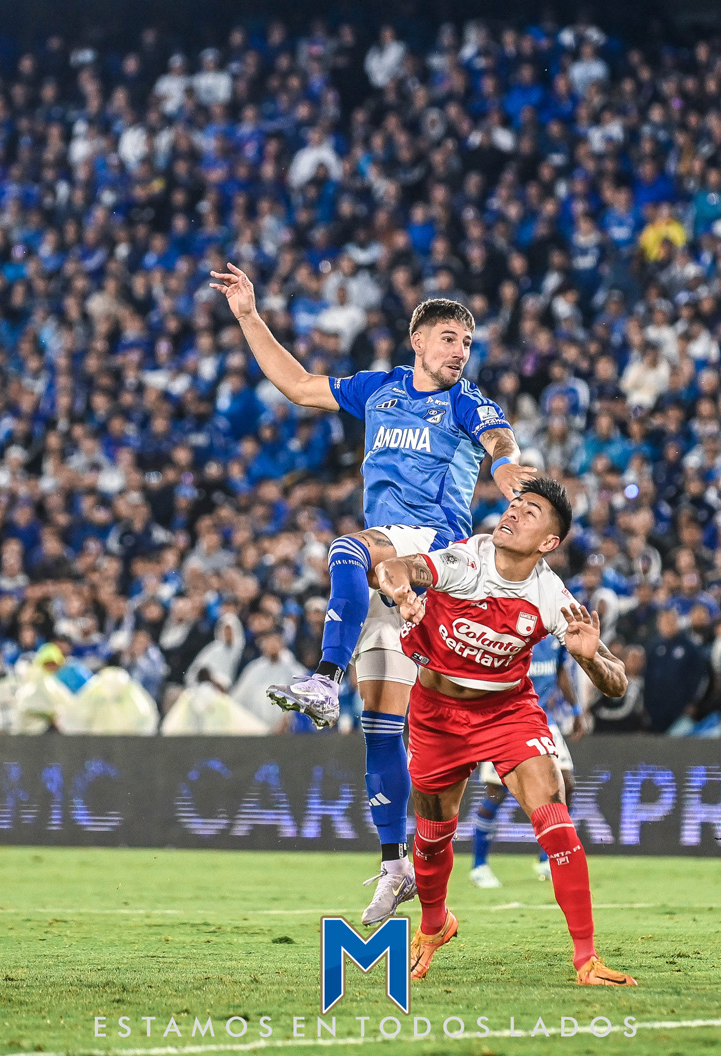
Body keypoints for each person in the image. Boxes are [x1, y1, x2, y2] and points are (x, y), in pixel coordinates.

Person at [210, 263, 534, 926]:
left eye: (467, 342)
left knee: (346, 551)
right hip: (395, 565)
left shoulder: (467, 400)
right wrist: (248, 315)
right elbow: (299, 385)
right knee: (382, 730)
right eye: (449, 338)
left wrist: (505, 471)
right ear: (418, 340)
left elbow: (498, 439)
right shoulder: (378, 390)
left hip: (434, 552)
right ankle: (395, 867)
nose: (460, 351)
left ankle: (325, 676)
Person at [374, 479, 636, 985]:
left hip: (507, 711)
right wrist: (402, 591)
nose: (513, 512)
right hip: (436, 714)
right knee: (431, 836)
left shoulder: (551, 596)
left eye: (530, 511)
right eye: (515, 503)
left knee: (554, 813)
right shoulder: (464, 561)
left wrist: (588, 659)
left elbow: (617, 682)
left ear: (549, 542)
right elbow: (394, 568)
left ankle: (587, 960)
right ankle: (434, 925)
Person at [470, 635, 585, 888]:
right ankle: (479, 865)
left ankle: (547, 859)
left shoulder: (553, 636)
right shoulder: (506, 634)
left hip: (544, 720)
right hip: (507, 721)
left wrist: (576, 710)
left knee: (566, 784)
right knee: (496, 792)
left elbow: (561, 671)